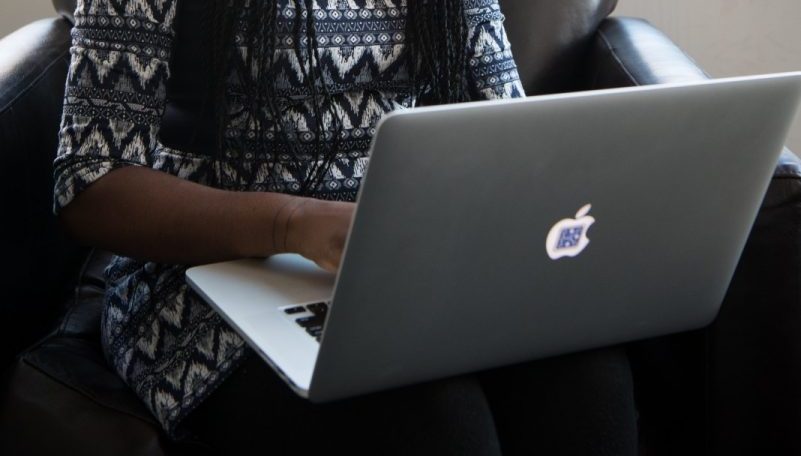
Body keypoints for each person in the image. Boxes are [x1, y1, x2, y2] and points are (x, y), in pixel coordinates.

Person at [54, 0, 638, 454]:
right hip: (207, 282)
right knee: (433, 422)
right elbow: (92, 182)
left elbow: (508, 131)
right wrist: (293, 223)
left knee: (585, 381)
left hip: (405, 266)